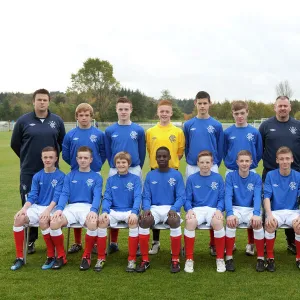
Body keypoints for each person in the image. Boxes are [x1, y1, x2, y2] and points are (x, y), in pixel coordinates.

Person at [11, 88, 65, 254]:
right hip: (29, 171)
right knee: (29, 203)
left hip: (52, 172)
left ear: (49, 102)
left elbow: (61, 143)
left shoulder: (56, 121)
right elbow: (15, 144)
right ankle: (30, 240)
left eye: (45, 100)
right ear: (33, 102)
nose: (42, 102)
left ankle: (53, 236)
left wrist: (50, 161)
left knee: (53, 201)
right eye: (39, 100)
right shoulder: (23, 121)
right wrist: (28, 157)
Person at [10, 147, 65, 270]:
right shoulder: (37, 176)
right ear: (41, 158)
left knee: (43, 220)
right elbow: (33, 195)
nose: (48, 160)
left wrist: (47, 210)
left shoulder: (61, 176)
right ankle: (20, 258)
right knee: (19, 219)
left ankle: (51, 256)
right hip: (37, 207)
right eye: (45, 157)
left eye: (51, 157)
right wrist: (24, 208)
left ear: (56, 159)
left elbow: (57, 196)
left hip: (53, 207)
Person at [183, 91, 224, 256]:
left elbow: (220, 148)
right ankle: (188, 238)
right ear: (195, 104)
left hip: (211, 166)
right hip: (193, 165)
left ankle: (214, 243)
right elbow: (187, 146)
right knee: (191, 200)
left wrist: (216, 163)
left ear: (209, 104)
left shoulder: (216, 125)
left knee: (212, 203)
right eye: (199, 103)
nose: (202, 106)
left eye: (205, 103)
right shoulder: (188, 125)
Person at [62, 103, 106, 254]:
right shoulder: (70, 135)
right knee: (75, 203)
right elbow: (66, 155)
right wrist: (76, 165)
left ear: (91, 116)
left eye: (87, 115)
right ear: (77, 117)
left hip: (94, 173)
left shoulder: (99, 134)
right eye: (81, 115)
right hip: (76, 173)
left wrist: (97, 165)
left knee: (93, 206)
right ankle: (77, 242)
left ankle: (93, 241)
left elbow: (103, 152)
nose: (84, 118)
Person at [49, 146, 103, 270]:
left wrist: (94, 210)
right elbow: (64, 194)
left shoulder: (97, 177)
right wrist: (59, 209)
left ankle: (86, 256)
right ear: (77, 159)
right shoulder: (69, 176)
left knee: (93, 223)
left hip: (87, 207)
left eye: (86, 158)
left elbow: (97, 196)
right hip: (71, 208)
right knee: (54, 222)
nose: (83, 160)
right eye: (80, 158)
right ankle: (61, 256)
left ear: (91, 159)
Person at [259, 96, 300, 254]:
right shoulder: (266, 125)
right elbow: (259, 148)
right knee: (269, 205)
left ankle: (292, 241)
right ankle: (267, 241)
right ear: (275, 107)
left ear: (290, 107)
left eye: (285, 106)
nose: (282, 108)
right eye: (280, 106)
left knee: (292, 206)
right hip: (270, 172)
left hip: (295, 172)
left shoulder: (297, 125)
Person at [105, 96, 146, 253]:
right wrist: (114, 165)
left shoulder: (138, 130)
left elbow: (141, 152)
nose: (123, 112)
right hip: (115, 168)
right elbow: (109, 152)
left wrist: (136, 165)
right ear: (116, 110)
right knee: (114, 201)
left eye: (126, 109)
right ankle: (113, 242)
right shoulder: (109, 130)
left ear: (131, 110)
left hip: (134, 167)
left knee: (137, 200)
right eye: (120, 109)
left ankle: (135, 242)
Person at [137, 147, 185, 273]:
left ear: (169, 157)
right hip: (155, 208)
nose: (162, 159)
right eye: (159, 156)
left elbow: (181, 196)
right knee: (144, 221)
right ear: (155, 158)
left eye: (165, 156)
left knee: (174, 221)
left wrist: (174, 208)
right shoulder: (150, 175)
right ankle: (145, 260)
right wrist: (146, 208)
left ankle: (175, 259)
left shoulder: (176, 175)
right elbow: (146, 196)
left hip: (171, 208)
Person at [146, 99, 185, 255]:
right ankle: (155, 242)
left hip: (172, 171)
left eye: (167, 111)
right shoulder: (150, 132)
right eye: (161, 111)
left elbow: (180, 152)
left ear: (171, 113)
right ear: (158, 112)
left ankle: (177, 244)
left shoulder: (178, 132)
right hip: (155, 171)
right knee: (156, 206)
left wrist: (171, 164)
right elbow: (150, 151)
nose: (164, 114)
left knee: (173, 208)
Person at [224, 101, 263, 256]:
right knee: (232, 204)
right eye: (236, 113)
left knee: (249, 204)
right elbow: (223, 151)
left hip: (249, 171)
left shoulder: (254, 132)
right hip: (232, 171)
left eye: (242, 113)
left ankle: (251, 243)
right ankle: (231, 243)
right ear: (233, 114)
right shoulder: (227, 132)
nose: (239, 116)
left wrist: (249, 164)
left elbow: (258, 152)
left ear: (247, 112)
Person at [95, 152, 142, 272]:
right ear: (115, 164)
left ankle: (131, 259)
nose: (121, 165)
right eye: (118, 162)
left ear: (129, 164)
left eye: (123, 162)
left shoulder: (135, 179)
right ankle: (100, 257)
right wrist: (105, 211)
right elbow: (107, 197)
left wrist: (134, 212)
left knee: (133, 222)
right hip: (114, 211)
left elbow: (138, 197)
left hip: (129, 211)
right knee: (102, 221)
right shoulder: (111, 180)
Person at [184, 150, 226, 273]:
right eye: (202, 162)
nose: (205, 165)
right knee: (190, 222)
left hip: (213, 209)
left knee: (218, 223)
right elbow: (187, 199)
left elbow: (221, 198)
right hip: (197, 209)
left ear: (212, 163)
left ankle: (220, 259)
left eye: (207, 162)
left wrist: (219, 210)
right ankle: (189, 259)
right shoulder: (192, 179)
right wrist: (189, 209)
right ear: (198, 163)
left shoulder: (218, 178)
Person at [224, 150, 264, 272]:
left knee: (257, 224)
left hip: (251, 209)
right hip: (236, 208)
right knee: (231, 223)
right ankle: (229, 257)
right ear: (237, 162)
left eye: (247, 161)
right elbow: (228, 196)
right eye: (241, 161)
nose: (244, 163)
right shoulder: (230, 176)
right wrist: (230, 214)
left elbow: (257, 197)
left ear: (251, 162)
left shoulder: (256, 177)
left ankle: (261, 259)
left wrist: (256, 214)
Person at [263, 146, 300, 271]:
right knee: (269, 225)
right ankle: (270, 258)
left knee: (299, 226)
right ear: (277, 160)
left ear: (292, 160)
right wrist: (269, 215)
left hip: (293, 211)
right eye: (281, 159)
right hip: (276, 211)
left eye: (287, 158)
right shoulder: (270, 175)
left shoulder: (298, 176)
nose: (284, 161)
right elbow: (266, 197)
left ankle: (299, 258)